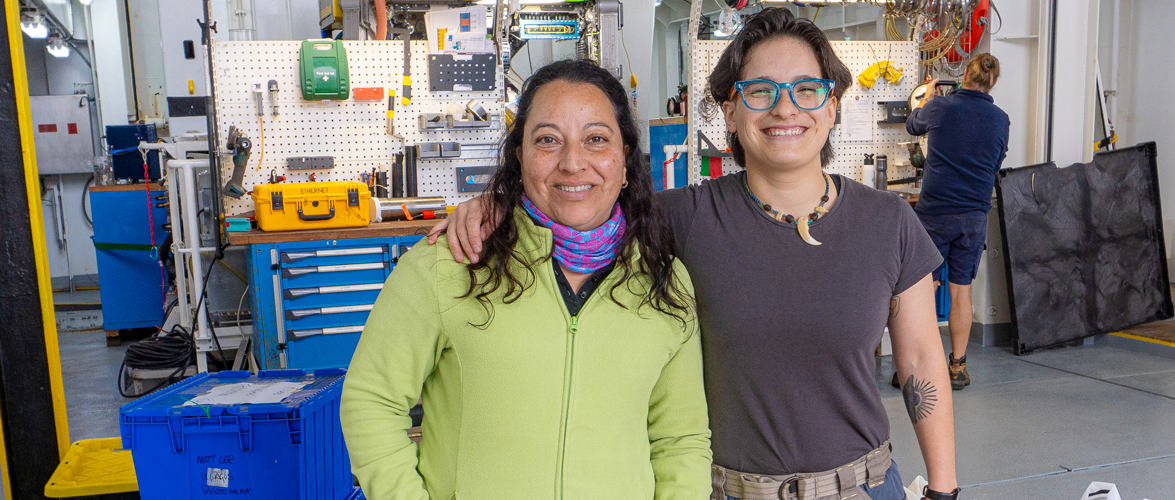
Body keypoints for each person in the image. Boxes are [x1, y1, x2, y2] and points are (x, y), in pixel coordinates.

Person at [430, 8, 960, 500]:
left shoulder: (889, 222)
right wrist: (497, 205)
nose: (784, 108)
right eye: (759, 91)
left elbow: (918, 359)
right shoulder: (679, 219)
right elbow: (577, 206)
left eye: (806, 89)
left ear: (832, 106)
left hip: (863, 487)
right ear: (730, 111)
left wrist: (943, 487)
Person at [341, 60, 712, 500]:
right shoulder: (451, 264)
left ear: (626, 160)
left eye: (596, 139)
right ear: (520, 157)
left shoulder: (664, 282)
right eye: (548, 140)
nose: (573, 163)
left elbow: (680, 440)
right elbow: (371, 402)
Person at [905, 54, 1010, 391]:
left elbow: (912, 125)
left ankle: (918, 365)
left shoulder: (942, 107)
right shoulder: (1001, 119)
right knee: (961, 290)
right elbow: (996, 160)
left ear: (965, 74)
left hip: (935, 213)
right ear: (993, 82)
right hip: (974, 215)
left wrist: (928, 99)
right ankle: (957, 366)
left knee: (924, 289)